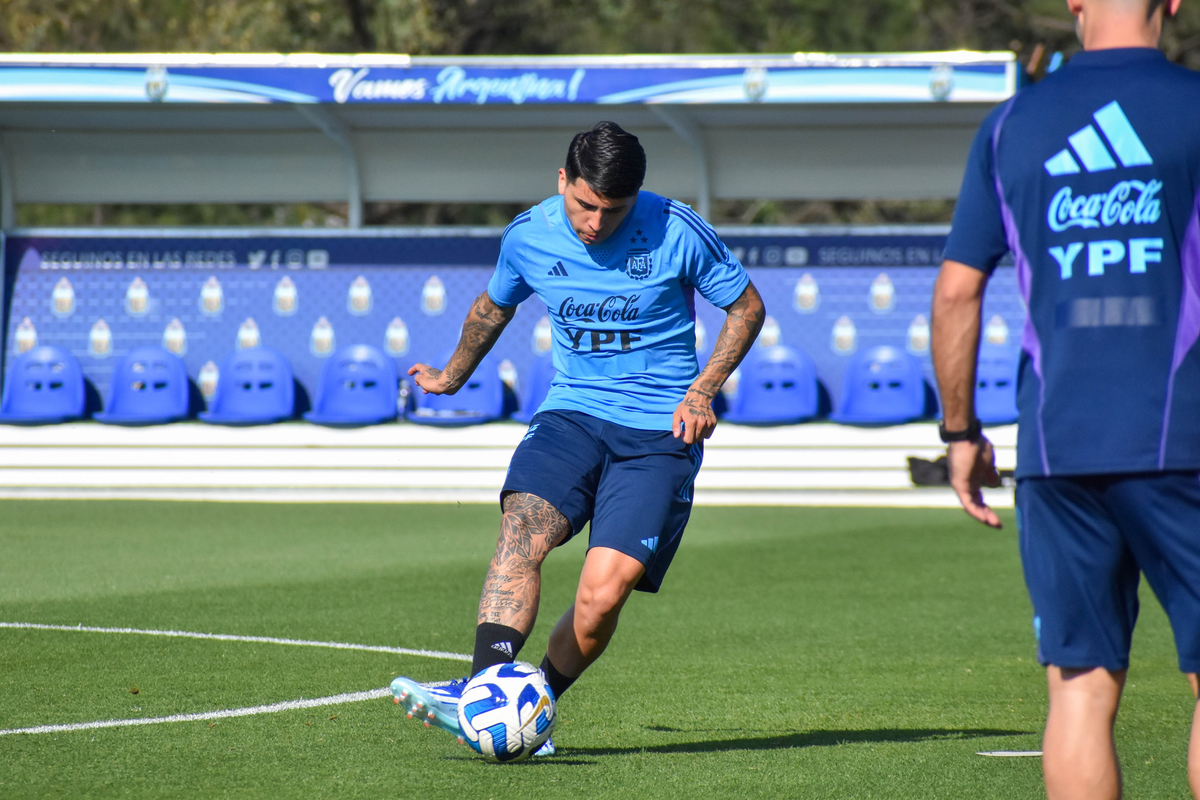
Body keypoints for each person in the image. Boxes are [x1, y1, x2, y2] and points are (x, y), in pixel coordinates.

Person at [390, 121, 765, 755]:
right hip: (572, 414)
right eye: (584, 204)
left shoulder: (676, 228)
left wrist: (702, 391)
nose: (595, 222)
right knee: (522, 529)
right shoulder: (529, 235)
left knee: (601, 595)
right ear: (562, 181)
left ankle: (528, 706)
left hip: (657, 434)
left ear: (636, 198)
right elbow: (492, 307)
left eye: (612, 210)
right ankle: (486, 691)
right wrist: (452, 374)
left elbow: (747, 307)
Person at [931, 0, 1200, 797]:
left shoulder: (1012, 125)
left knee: (1079, 689)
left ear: (1076, 1)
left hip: (1055, 447)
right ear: (1174, 1)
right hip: (1185, 440)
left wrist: (959, 431)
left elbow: (955, 294)